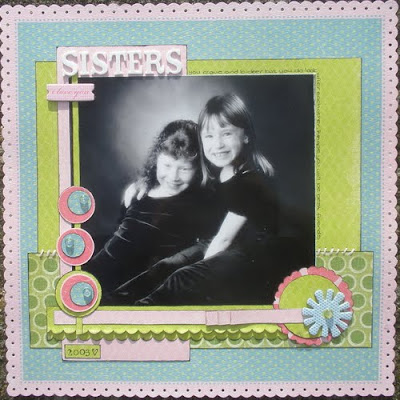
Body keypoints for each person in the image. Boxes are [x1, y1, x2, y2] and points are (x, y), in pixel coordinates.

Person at [129, 94, 306, 306]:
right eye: (209, 136)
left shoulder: (249, 181)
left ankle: (139, 314)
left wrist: (198, 272)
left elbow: (223, 240)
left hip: (255, 256)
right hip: (229, 245)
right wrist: (144, 183)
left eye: (227, 133)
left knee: (182, 277)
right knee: (165, 266)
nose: (218, 144)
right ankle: (118, 301)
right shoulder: (220, 168)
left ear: (246, 136)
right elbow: (178, 175)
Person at [83, 120, 223, 302]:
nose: (173, 176)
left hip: (149, 280)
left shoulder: (200, 200)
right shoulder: (140, 192)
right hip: (115, 264)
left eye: (185, 168)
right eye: (167, 166)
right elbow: (118, 241)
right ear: (156, 160)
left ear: (198, 169)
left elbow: (208, 242)